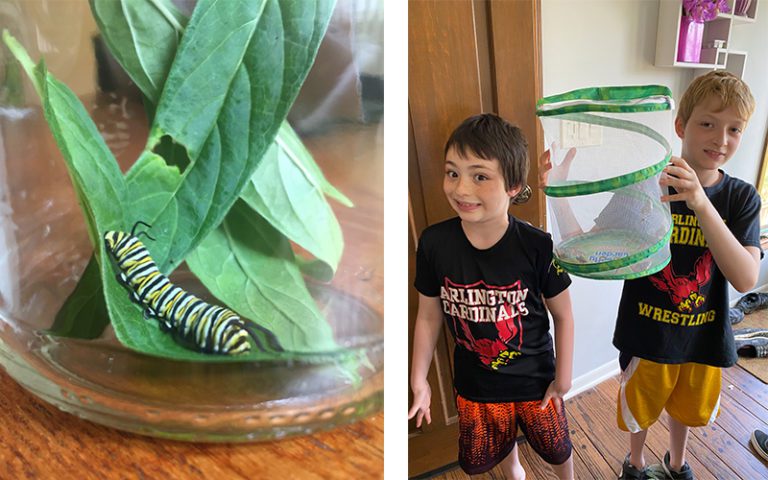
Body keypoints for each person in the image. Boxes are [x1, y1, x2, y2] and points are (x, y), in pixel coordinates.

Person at [541, 71, 760, 480]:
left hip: (702, 336)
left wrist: (699, 202)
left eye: (735, 129)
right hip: (648, 333)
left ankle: (677, 464)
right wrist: (559, 189)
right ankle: (636, 462)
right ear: (680, 126)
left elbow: (746, 278)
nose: (721, 139)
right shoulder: (644, 188)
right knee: (639, 409)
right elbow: (586, 244)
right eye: (707, 124)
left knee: (685, 409)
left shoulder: (740, 198)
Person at [409, 113, 575, 479]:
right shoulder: (434, 244)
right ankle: (514, 470)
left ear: (513, 185)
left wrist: (563, 378)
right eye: (453, 173)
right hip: (476, 386)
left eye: (479, 176)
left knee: (556, 446)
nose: (461, 189)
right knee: (495, 448)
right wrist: (418, 378)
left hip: (536, 381)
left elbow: (563, 314)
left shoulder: (537, 245)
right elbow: (428, 315)